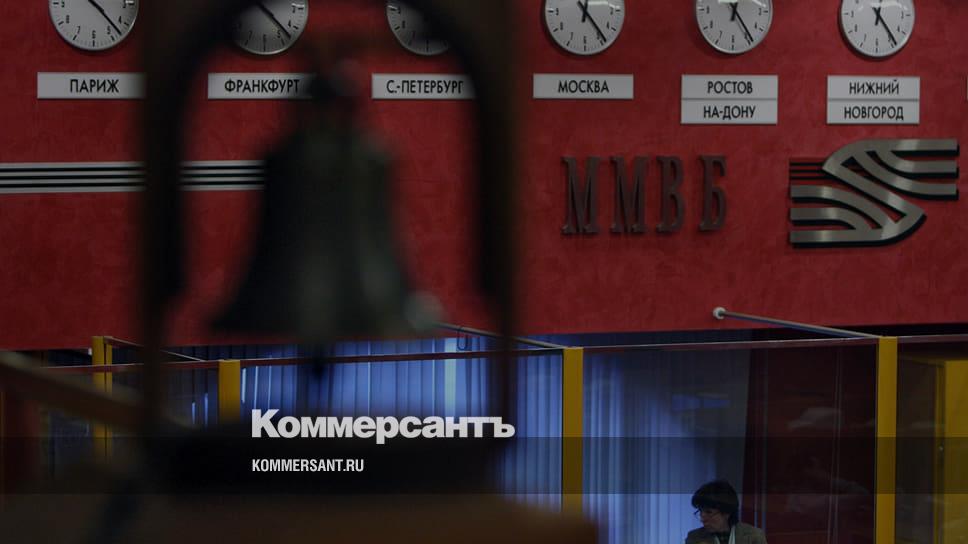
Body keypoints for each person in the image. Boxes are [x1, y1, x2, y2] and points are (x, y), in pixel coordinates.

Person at [685, 480, 766, 544]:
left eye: (709, 512)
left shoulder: (754, 536)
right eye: (700, 511)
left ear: (727, 512)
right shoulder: (694, 538)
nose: (702, 519)